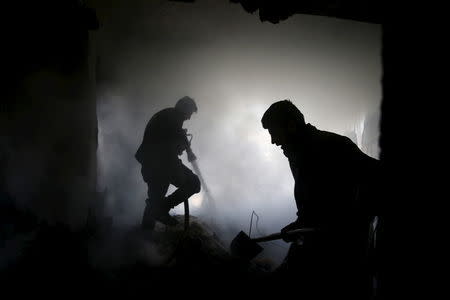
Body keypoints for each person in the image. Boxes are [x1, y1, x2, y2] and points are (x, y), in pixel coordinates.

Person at [261, 100, 381, 298]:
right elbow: (313, 207)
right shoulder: (296, 156)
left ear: (291, 126)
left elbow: (378, 178)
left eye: (274, 133)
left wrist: (353, 220)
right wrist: (298, 224)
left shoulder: (334, 146)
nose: (273, 141)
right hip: (315, 246)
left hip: (345, 256)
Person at [135, 96, 201, 230]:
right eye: (189, 114)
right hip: (161, 165)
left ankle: (143, 241)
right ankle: (162, 208)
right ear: (184, 109)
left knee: (154, 201)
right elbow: (169, 149)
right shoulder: (173, 119)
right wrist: (181, 151)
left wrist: (185, 149)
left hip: (152, 164)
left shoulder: (168, 116)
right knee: (194, 183)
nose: (188, 118)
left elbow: (172, 140)